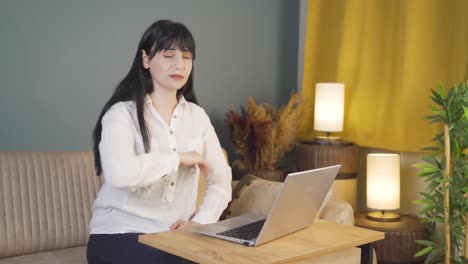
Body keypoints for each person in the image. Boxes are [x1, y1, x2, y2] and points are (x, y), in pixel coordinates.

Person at [87, 20, 232, 264]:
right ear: (145, 59)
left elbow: (221, 179)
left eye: (186, 57)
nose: (179, 64)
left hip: (173, 237)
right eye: (168, 55)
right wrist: (177, 159)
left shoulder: (197, 117)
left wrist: (201, 222)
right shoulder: (121, 114)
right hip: (119, 234)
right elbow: (118, 174)